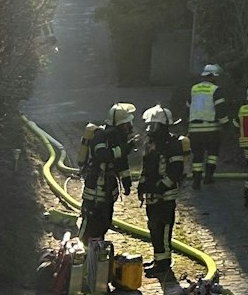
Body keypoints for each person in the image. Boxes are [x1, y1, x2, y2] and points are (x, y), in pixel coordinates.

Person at [137, 105, 191, 269]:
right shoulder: (151, 144)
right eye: (149, 126)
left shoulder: (173, 144)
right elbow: (146, 168)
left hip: (165, 195)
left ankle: (165, 262)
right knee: (153, 226)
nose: (150, 129)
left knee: (164, 226)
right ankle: (158, 259)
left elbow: (175, 171)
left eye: (153, 126)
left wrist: (161, 186)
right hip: (152, 195)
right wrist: (141, 185)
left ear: (163, 126)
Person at [78, 102, 137, 241]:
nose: (128, 128)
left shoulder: (117, 139)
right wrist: (124, 149)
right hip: (95, 188)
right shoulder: (100, 135)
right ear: (117, 124)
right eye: (126, 125)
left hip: (108, 190)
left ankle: (97, 253)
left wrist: (126, 181)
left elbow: (121, 163)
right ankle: (83, 253)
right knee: (91, 222)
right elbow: (102, 155)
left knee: (104, 222)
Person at [187, 65, 225, 189]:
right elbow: (220, 109)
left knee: (197, 155)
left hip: (194, 129)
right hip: (211, 129)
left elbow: (188, 106)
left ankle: (196, 181)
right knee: (212, 154)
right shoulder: (216, 89)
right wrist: (226, 124)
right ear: (213, 76)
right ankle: (208, 177)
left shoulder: (194, 89)